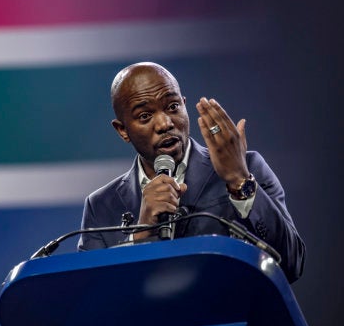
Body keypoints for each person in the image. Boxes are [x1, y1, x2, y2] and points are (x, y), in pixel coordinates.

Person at [77, 62, 305, 283]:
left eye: (173, 106)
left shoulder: (247, 168)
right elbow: (93, 299)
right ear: (122, 130)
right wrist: (142, 233)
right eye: (145, 116)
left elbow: (291, 264)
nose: (165, 123)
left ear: (184, 105)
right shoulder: (101, 207)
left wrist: (239, 182)